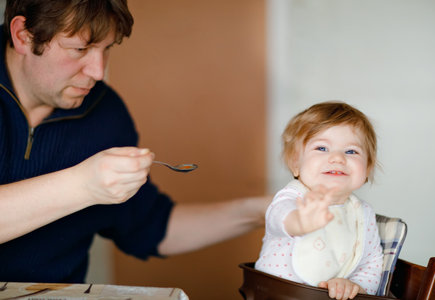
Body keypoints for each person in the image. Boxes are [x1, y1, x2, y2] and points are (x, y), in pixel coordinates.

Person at [0, 0, 270, 282]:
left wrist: (259, 212)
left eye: (107, 49)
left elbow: (147, 226)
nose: (97, 71)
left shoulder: (106, 112)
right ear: (23, 35)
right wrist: (81, 185)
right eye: (80, 49)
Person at [255, 102, 383, 300]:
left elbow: (372, 263)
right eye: (322, 148)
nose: (338, 158)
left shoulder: (362, 213)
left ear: (367, 169)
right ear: (296, 164)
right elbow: (278, 216)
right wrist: (299, 222)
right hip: (275, 293)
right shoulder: (292, 197)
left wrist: (355, 286)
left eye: (351, 151)